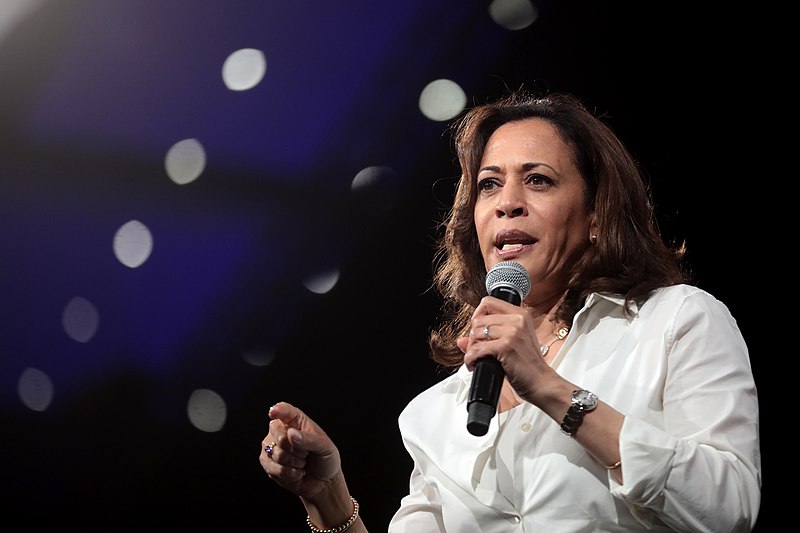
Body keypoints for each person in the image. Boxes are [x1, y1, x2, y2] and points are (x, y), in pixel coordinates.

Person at [258, 91, 761, 532]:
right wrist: (329, 498)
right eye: (489, 184)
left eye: (538, 180)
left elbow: (729, 508)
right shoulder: (438, 412)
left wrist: (549, 388)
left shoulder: (676, 322)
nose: (508, 203)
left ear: (595, 215)